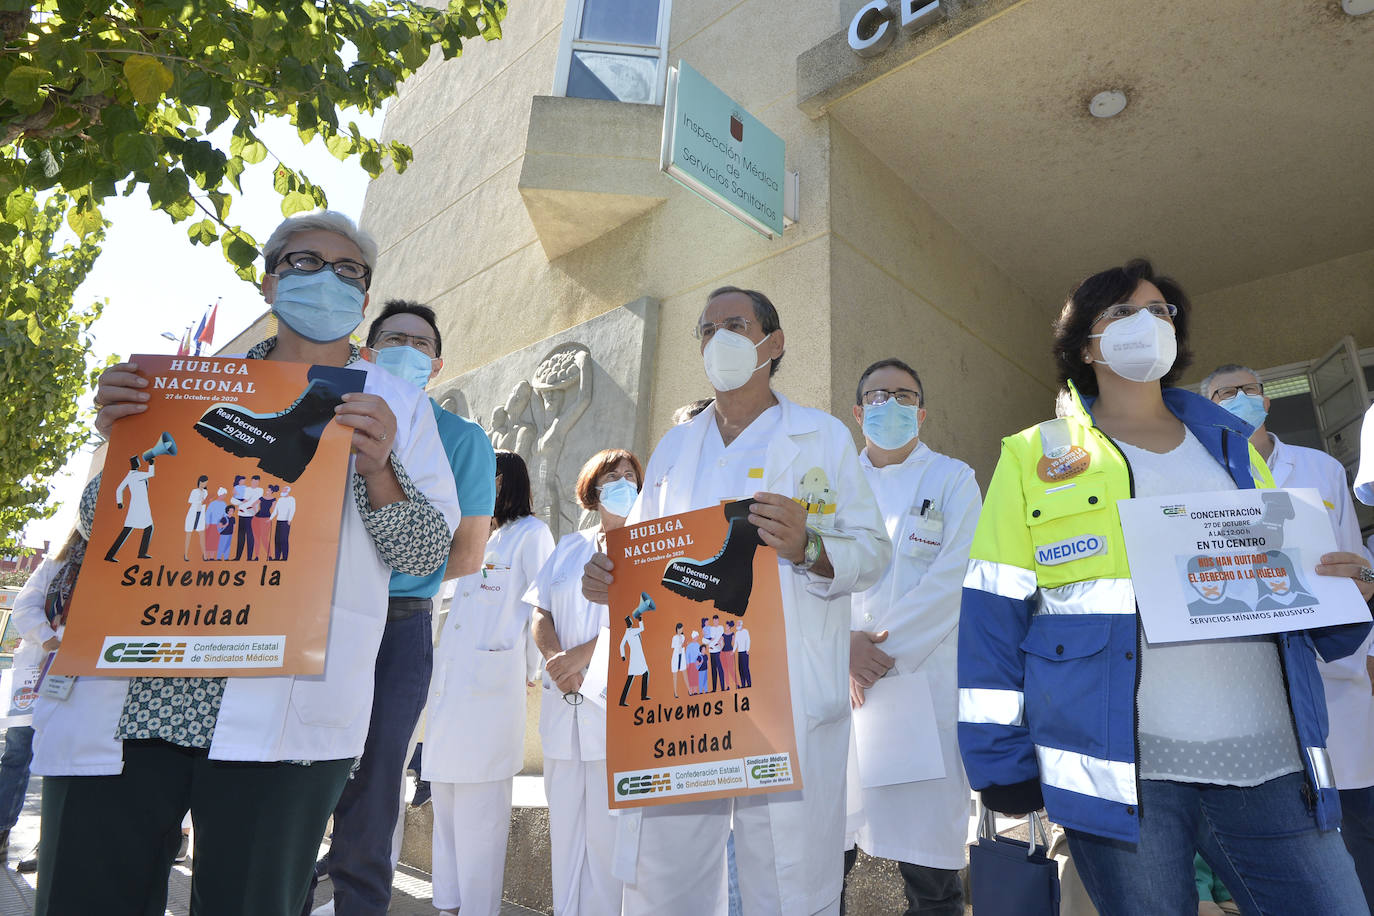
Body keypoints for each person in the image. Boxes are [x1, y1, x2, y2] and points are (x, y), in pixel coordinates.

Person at [30, 209, 462, 916]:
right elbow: (96, 523)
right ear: (267, 283)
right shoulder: (185, 388)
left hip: (285, 717)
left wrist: (381, 470)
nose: (327, 279)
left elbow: (421, 555)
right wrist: (120, 438)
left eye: (349, 270)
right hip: (137, 687)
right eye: (304, 262)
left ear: (364, 294)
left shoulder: (398, 409)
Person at [957, 258, 1374, 915]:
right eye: (1121, 313)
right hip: (1124, 773)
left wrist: (1343, 589)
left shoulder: (1235, 449)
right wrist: (999, 763)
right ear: (1084, 344)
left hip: (1270, 762)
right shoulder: (1032, 458)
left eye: (1160, 312)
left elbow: (1287, 585)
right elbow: (992, 614)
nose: (1146, 324)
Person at [582, 287, 889, 915]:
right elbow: (645, 563)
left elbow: (874, 554)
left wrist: (809, 546)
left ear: (773, 344)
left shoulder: (823, 439)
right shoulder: (673, 449)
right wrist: (607, 577)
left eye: (736, 324)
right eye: (708, 327)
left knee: (788, 879)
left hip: (785, 698)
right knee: (665, 879)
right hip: (683, 700)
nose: (719, 337)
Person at [309, 299, 496, 916]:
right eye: (394, 339)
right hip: (318, 615)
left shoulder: (464, 441)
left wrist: (392, 555)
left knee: (376, 779)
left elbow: (466, 555)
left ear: (437, 364)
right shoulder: (331, 411)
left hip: (401, 625)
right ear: (366, 349)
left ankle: (359, 904)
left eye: (421, 345)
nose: (407, 351)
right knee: (300, 766)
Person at [840, 358, 981, 916]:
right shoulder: (827, 486)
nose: (891, 406)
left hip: (921, 687)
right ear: (857, 413)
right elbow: (803, 578)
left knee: (930, 872)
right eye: (878, 397)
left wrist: (877, 653)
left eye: (904, 396)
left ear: (921, 413)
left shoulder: (953, 478)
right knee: (829, 855)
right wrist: (842, 651)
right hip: (841, 688)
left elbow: (956, 576)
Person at [425, 450, 554, 916]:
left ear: (505, 482)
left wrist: (533, 668)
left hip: (491, 688)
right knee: (447, 803)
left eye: (486, 478)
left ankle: (478, 908)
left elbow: (546, 600)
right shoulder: (473, 536)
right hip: (450, 686)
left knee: (482, 811)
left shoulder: (532, 535)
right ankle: (448, 903)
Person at [531, 448, 643, 914]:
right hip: (563, 712)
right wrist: (556, 657)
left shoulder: (650, 547)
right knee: (566, 835)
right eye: (611, 476)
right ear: (592, 492)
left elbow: (645, 619)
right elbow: (540, 609)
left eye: (629, 476)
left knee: (608, 839)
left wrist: (579, 657)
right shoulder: (569, 547)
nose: (622, 482)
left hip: (615, 711)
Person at [105, 453, 157, 561]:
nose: (138, 462)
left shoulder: (130, 476)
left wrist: (119, 502)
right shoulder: (137, 475)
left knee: (134, 529)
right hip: (140, 506)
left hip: (137, 505)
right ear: (135, 464)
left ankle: (111, 555)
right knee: (147, 527)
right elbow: (151, 474)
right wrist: (151, 464)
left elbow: (119, 489)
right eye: (137, 461)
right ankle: (140, 553)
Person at [618, 615, 650, 706]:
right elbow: (642, 628)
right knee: (632, 677)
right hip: (637, 657)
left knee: (644, 673)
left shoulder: (627, 633)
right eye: (630, 621)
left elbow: (621, 645)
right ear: (629, 623)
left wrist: (623, 656)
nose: (631, 621)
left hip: (637, 657)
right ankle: (623, 701)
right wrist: (640, 620)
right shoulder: (632, 631)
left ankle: (642, 696)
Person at [232, 473, 262, 561]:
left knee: (250, 536)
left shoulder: (260, 490)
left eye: (257, 482)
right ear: (251, 481)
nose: (255, 483)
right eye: (253, 481)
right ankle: (237, 557)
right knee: (240, 536)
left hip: (251, 515)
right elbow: (239, 497)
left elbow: (252, 500)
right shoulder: (246, 489)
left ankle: (249, 557)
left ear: (259, 482)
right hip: (241, 514)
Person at [184, 474, 209, 561]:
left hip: (201, 515)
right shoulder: (194, 491)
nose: (205, 485)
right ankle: (186, 555)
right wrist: (201, 501)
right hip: (193, 515)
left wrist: (206, 501)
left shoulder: (205, 492)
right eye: (204, 483)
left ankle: (205, 555)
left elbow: (205, 503)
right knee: (189, 535)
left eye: (206, 483)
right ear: (200, 482)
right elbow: (191, 501)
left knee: (202, 535)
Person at [272, 485, 296, 560]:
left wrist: (289, 520)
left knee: (284, 539)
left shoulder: (291, 499)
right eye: (283, 489)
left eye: (284, 490)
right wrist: (270, 518)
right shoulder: (280, 499)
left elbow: (292, 509)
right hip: (279, 521)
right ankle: (277, 557)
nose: (283, 491)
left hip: (286, 521)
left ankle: (284, 557)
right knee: (277, 539)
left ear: (288, 491)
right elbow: (276, 510)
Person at [204, 487, 229, 559]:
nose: (225, 496)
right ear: (221, 494)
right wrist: (207, 523)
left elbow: (225, 515)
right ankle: (206, 556)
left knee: (215, 542)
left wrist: (225, 523)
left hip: (219, 525)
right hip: (211, 525)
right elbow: (208, 514)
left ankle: (212, 557)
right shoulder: (213, 504)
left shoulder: (224, 504)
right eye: (224, 494)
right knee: (209, 541)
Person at [670, 623, 688, 699]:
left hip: (682, 657)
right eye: (680, 629)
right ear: (677, 629)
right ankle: (675, 692)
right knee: (675, 676)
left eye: (682, 629)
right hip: (676, 657)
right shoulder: (674, 637)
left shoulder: (683, 636)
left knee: (685, 674)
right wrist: (682, 644)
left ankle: (689, 690)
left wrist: (684, 644)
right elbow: (673, 646)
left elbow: (684, 646)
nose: (681, 630)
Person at [734, 622, 752, 689]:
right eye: (736, 625)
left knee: (745, 668)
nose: (737, 626)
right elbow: (736, 643)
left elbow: (748, 640)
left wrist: (747, 649)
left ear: (741, 625)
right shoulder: (737, 633)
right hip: (739, 653)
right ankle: (743, 684)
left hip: (745, 652)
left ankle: (749, 683)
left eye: (738, 625)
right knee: (740, 669)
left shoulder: (745, 631)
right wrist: (733, 651)